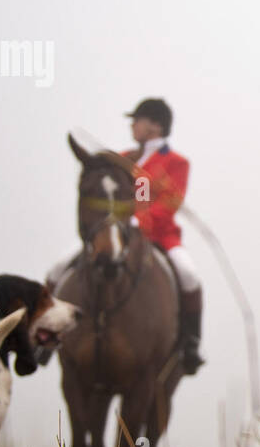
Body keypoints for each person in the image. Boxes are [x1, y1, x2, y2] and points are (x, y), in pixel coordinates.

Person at [47, 98, 205, 375]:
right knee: (59, 266)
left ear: (155, 125)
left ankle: (189, 344)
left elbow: (170, 202)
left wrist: (138, 218)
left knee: (189, 275)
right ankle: (45, 333)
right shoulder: (120, 158)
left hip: (160, 236)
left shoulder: (177, 163)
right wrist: (115, 218)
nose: (133, 125)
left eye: (138, 120)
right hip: (110, 230)